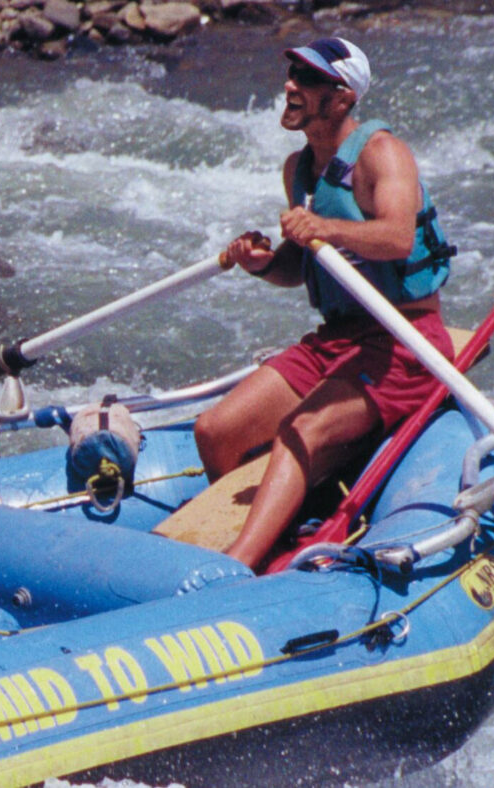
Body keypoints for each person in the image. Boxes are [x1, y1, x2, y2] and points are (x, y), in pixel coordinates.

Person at [196, 37, 457, 571]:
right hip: (337, 339)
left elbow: (397, 238)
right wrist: (263, 264)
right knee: (215, 432)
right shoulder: (298, 168)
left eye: (307, 79)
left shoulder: (382, 153)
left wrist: (324, 227)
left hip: (403, 340)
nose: (290, 86)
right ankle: (285, 529)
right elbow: (302, 266)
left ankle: (241, 564)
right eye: (292, 73)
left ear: (340, 99)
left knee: (300, 429)